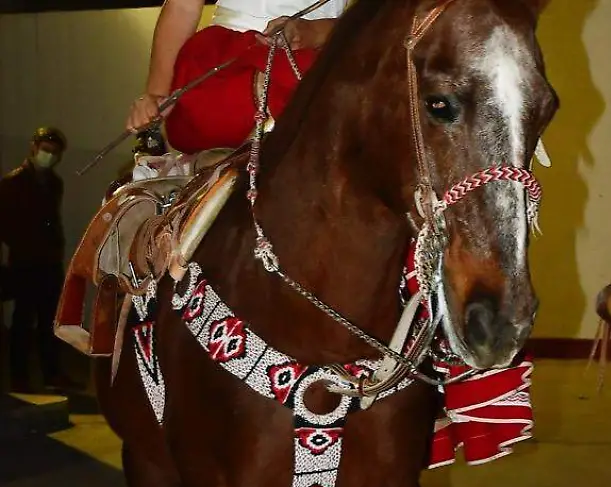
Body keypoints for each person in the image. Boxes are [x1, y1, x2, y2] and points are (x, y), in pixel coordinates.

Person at [125, 0, 349, 155]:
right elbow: (182, 7)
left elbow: (379, 17)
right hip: (223, 63)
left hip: (313, 60)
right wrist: (157, 95)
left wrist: (317, 31)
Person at [0, 127, 72, 393]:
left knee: (50, 321)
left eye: (54, 152)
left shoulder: (54, 183)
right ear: (34, 147)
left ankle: (52, 373)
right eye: (45, 149)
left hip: (49, 262)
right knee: (22, 321)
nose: (48, 155)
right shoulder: (13, 182)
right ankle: (19, 377)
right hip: (25, 261)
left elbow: (52, 221)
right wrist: (23, 247)